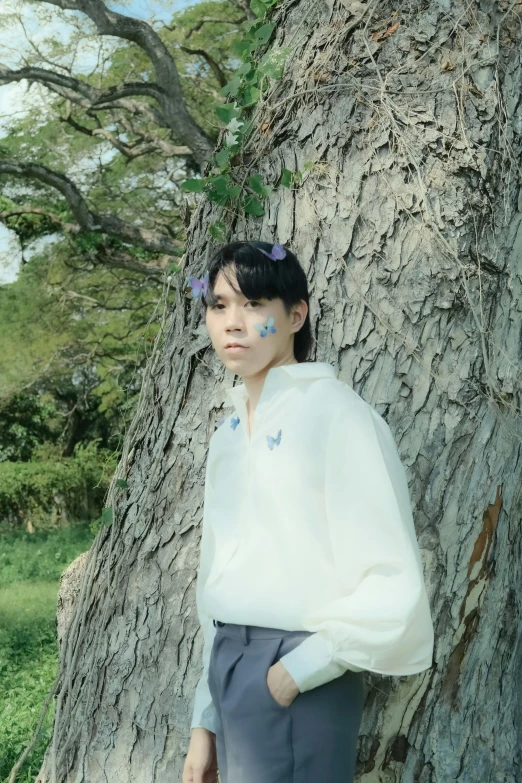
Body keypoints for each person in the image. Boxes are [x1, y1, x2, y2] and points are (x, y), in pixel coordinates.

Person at [182, 240, 434, 783]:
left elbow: (393, 577)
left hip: (297, 668)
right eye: (220, 305)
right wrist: (206, 719)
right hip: (230, 660)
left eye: (254, 306)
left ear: (296, 315)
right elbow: (214, 577)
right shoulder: (228, 434)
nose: (233, 323)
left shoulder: (336, 415)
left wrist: (297, 671)